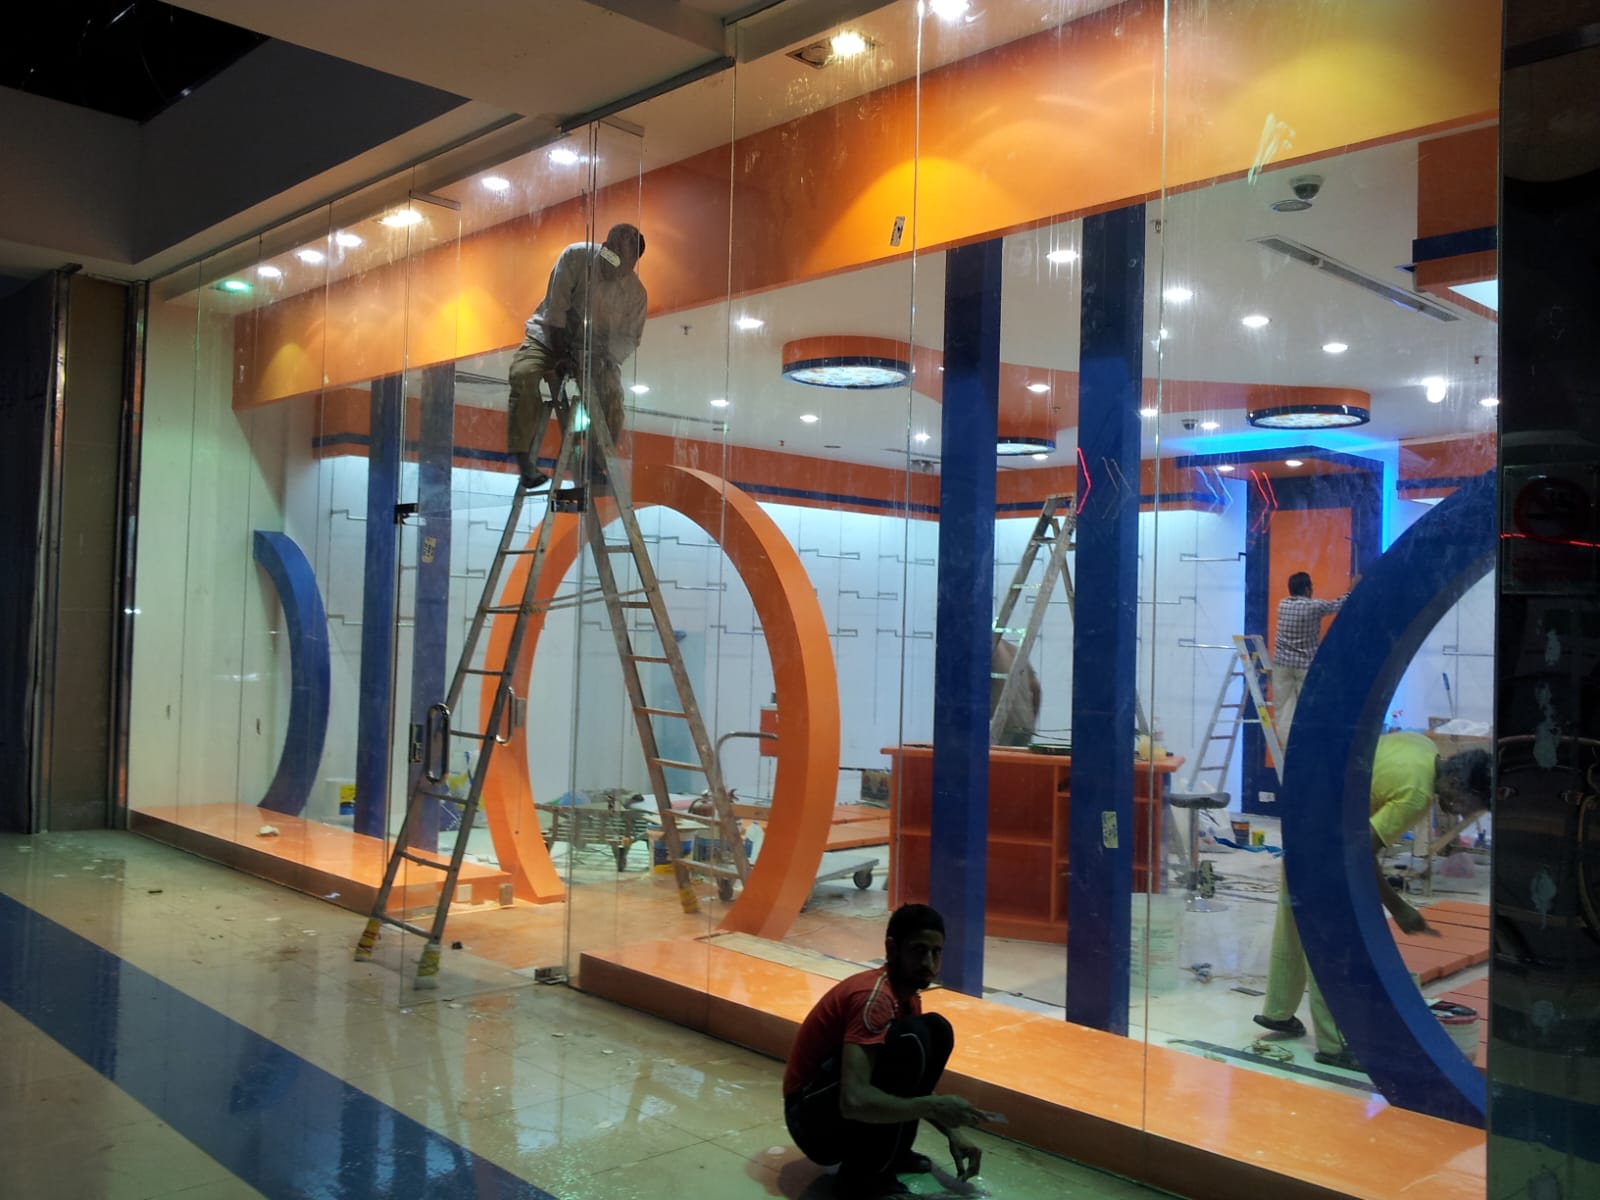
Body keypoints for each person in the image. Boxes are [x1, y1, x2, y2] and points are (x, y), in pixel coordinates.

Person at [1252, 735, 1493, 1070]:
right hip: (1326, 835)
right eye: (1468, 803)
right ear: (1455, 782)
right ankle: (1336, 1043)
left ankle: (1278, 1012)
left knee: (1295, 916)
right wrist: (1399, 907)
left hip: (1306, 805)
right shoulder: (1417, 795)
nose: (1463, 812)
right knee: (1331, 941)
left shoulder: (1422, 746)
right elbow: (1359, 852)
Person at [784, 904, 986, 1199]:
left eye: (936, 952)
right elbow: (854, 1101)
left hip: (827, 1106)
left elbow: (910, 1083)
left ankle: (892, 1155)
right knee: (912, 1040)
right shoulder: (875, 998)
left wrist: (953, 1132)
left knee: (937, 1029)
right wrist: (933, 1106)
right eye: (918, 951)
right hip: (809, 1121)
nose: (929, 962)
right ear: (892, 948)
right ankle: (862, 1180)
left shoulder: (906, 997)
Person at [505, 223, 648, 490]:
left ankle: (594, 463)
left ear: (633, 264)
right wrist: (561, 356)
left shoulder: (635, 295)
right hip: (548, 338)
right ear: (604, 246)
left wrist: (600, 357)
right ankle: (524, 460)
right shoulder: (575, 257)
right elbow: (555, 312)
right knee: (523, 375)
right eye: (610, 254)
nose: (612, 263)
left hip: (594, 353)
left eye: (620, 261)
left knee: (613, 399)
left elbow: (629, 339)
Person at [1271, 570, 1354, 746]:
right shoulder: (1314, 607)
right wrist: (1353, 589)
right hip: (1305, 667)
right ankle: (1305, 746)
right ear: (1307, 588)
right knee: (1308, 710)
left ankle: (1288, 748)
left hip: (1281, 665)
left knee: (1284, 711)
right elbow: (1339, 604)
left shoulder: (1282, 605)